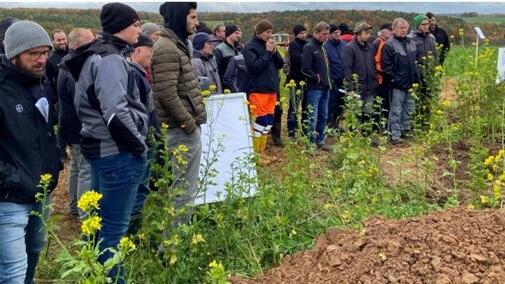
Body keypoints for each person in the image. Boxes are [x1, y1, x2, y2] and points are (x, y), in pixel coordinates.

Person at [65, 3, 148, 281]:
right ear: (121, 26)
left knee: (99, 230)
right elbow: (115, 112)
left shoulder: (94, 55)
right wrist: (139, 146)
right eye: (136, 24)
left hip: (102, 151)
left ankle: (97, 277)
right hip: (119, 154)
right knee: (113, 232)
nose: (139, 29)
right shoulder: (111, 59)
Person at [0, 20, 61, 284]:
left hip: (41, 191)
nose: (41, 60)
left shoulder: (41, 83)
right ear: (14, 55)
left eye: (45, 53)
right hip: (9, 196)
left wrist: (52, 168)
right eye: (33, 54)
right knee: (12, 271)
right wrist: (11, 177)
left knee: (33, 252)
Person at [152, 2, 206, 226]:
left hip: (183, 127)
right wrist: (189, 124)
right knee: (183, 190)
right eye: (192, 17)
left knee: (185, 187)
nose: (197, 22)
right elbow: (167, 94)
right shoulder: (167, 48)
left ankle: (178, 237)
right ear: (179, 18)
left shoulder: (177, 44)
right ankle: (174, 246)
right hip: (181, 130)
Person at [57, 28, 95, 219]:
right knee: (85, 170)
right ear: (79, 44)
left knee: (77, 168)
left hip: (69, 126)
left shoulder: (65, 65)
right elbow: (80, 100)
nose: (95, 44)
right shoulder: (74, 69)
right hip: (78, 127)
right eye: (91, 41)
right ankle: (85, 214)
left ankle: (73, 206)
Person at [128, 34, 157, 234]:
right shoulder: (134, 75)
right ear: (138, 51)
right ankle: (133, 228)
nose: (152, 56)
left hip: (144, 134)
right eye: (150, 51)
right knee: (140, 184)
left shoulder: (139, 73)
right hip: (141, 137)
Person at [243, 19, 284, 153]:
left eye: (271, 32)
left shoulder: (269, 46)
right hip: (258, 90)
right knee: (259, 123)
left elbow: (280, 64)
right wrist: (266, 53)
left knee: (268, 122)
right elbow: (255, 67)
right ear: (259, 32)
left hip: (271, 90)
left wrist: (274, 52)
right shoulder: (250, 46)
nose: (270, 35)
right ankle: (256, 154)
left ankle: (262, 150)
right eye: (267, 32)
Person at [381, 18, 419, 145]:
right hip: (397, 84)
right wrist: (395, 80)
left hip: (411, 83)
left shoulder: (411, 42)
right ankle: (395, 135)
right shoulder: (389, 45)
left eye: (405, 28)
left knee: (409, 108)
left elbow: (416, 63)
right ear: (394, 29)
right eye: (401, 28)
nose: (403, 30)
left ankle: (405, 130)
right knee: (396, 110)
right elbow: (386, 67)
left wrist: (416, 79)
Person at [342, 21, 379, 129]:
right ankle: (353, 138)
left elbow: (373, 65)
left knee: (368, 113)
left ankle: (366, 137)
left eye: (369, 33)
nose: (369, 35)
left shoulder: (371, 47)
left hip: (370, 86)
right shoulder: (349, 48)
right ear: (358, 33)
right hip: (357, 87)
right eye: (366, 33)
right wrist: (350, 87)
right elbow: (346, 69)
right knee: (355, 114)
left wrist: (375, 81)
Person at [301, 22, 332, 150]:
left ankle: (320, 140)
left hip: (325, 87)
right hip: (314, 89)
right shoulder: (309, 47)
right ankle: (310, 143)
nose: (326, 37)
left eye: (327, 34)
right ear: (316, 33)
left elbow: (326, 67)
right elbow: (305, 68)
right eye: (324, 34)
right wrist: (315, 77)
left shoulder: (323, 48)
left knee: (323, 115)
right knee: (312, 116)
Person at [409, 14, 437, 130]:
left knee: (428, 99)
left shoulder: (431, 38)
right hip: (416, 75)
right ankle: (415, 124)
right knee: (416, 100)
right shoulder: (410, 39)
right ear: (417, 25)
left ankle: (426, 124)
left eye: (427, 24)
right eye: (423, 24)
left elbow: (435, 55)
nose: (426, 26)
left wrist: (435, 68)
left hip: (429, 75)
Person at [324, 24, 347, 131]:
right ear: (330, 34)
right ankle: (330, 124)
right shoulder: (325, 46)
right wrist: (330, 79)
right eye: (335, 33)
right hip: (332, 79)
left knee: (341, 103)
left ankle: (337, 124)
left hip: (343, 79)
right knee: (331, 103)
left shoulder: (344, 45)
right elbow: (327, 65)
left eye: (339, 33)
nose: (338, 35)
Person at [286, 24, 307, 140]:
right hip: (295, 80)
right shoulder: (293, 45)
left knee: (306, 106)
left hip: (306, 80)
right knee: (294, 106)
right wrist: (306, 57)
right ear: (296, 34)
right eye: (301, 33)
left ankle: (304, 129)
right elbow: (297, 59)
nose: (303, 35)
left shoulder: (308, 44)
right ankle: (291, 132)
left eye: (304, 33)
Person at [373, 23, 394, 130]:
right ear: (382, 32)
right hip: (379, 80)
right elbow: (375, 62)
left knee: (384, 103)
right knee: (379, 103)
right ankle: (378, 127)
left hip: (384, 79)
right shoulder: (378, 43)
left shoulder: (384, 42)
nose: (391, 32)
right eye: (389, 30)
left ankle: (383, 125)